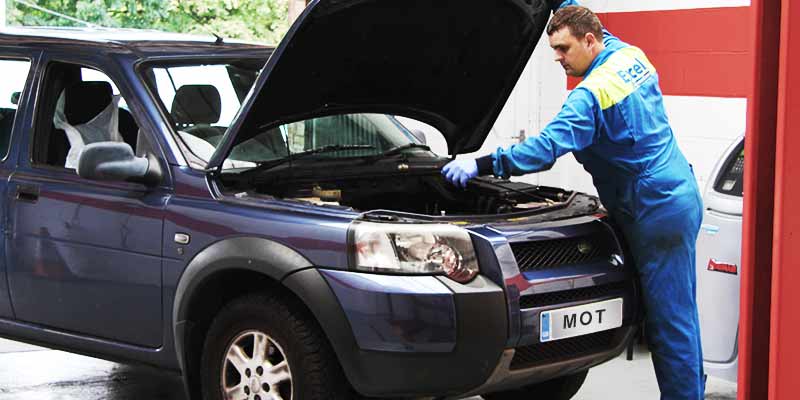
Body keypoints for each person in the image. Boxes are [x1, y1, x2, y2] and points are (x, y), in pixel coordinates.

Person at [442, 1, 705, 399]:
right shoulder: (628, 55)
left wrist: (481, 163)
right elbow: (588, 22)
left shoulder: (589, 97)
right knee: (680, 311)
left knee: (670, 323)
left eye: (563, 49)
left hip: (653, 210)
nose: (558, 59)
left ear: (588, 40)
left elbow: (544, 150)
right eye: (554, 50)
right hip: (677, 192)